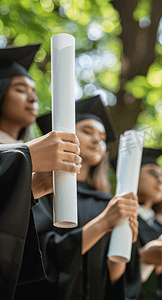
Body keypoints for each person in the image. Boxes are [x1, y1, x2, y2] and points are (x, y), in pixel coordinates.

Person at [15, 95, 140, 300]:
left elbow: (116, 281)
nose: (97, 139)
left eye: (102, 136)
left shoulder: (107, 203)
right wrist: (103, 223)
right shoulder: (43, 190)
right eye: (87, 131)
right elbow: (37, 257)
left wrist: (123, 243)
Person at [0, 43, 82, 299]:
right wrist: (27, 156)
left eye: (34, 91)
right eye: (21, 90)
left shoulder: (31, 163)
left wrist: (32, 187)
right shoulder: (27, 155)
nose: (34, 99)